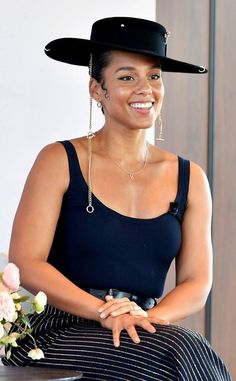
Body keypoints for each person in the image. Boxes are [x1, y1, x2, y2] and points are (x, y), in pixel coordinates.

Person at [3, 17, 231, 381]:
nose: (145, 89)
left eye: (154, 76)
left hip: (145, 328)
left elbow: (195, 283)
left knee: (181, 347)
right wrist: (105, 312)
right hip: (58, 331)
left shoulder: (192, 179)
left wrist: (144, 318)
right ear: (97, 89)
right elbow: (27, 262)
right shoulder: (59, 160)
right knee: (176, 353)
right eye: (127, 77)